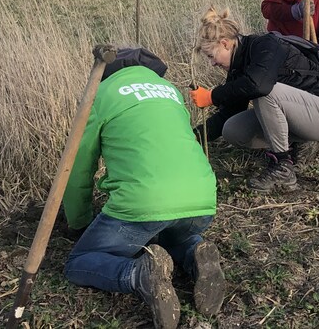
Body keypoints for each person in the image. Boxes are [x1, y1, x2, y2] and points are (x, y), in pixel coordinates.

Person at [62, 47, 224, 329]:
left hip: (145, 203)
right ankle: (194, 251)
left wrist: (78, 223)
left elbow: (77, 169)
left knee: (79, 262)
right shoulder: (169, 91)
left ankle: (138, 275)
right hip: (202, 200)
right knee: (165, 235)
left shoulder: (100, 94)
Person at [192, 6, 319, 191]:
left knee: (265, 92)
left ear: (225, 43)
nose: (212, 63)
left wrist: (212, 96)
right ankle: (301, 141)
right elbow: (231, 110)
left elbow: (259, 85)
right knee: (232, 130)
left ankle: (282, 167)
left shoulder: (266, 45)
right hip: (302, 114)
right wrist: (194, 137)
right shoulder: (238, 64)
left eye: (211, 56)